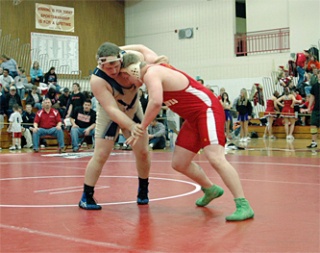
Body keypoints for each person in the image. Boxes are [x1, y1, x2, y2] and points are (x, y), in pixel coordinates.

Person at [121, 53, 254, 221]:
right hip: (193, 119)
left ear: (131, 71)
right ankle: (210, 189)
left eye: (127, 78)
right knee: (179, 163)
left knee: (216, 157)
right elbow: (141, 48)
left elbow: (155, 102)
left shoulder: (151, 74)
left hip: (207, 110)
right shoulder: (154, 69)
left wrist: (141, 127)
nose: (130, 83)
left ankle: (243, 204)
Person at [78, 42, 168, 210]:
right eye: (107, 67)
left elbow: (142, 48)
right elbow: (111, 109)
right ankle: (86, 196)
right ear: (100, 64)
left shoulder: (132, 58)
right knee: (101, 154)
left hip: (133, 106)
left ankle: (143, 190)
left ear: (121, 59)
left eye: (115, 66)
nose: (112, 71)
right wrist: (132, 126)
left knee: (142, 152)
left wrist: (154, 59)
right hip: (110, 113)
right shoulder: (98, 79)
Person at [307, 69, 320, 148]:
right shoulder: (315, 86)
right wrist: (309, 107)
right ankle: (314, 142)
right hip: (316, 109)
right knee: (313, 125)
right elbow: (312, 97)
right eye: (319, 74)